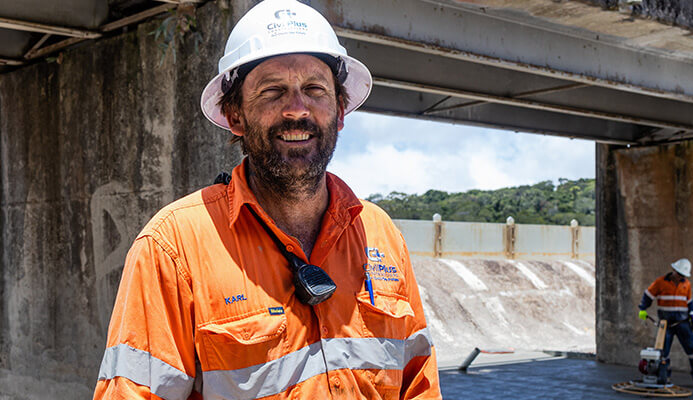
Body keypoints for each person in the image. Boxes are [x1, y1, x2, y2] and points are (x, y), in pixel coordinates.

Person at [93, 0, 441, 398]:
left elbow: (420, 384)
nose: (297, 110)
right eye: (273, 91)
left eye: (314, 89)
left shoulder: (379, 233)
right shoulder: (174, 247)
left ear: (340, 110)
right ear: (236, 115)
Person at [638, 258, 693, 389]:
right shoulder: (660, 283)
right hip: (666, 323)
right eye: (680, 274)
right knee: (664, 352)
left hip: (683, 322)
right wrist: (642, 309)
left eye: (683, 275)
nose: (681, 277)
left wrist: (692, 313)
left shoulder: (686, 284)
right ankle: (665, 376)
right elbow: (648, 295)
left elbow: (689, 302)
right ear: (674, 270)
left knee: (692, 350)